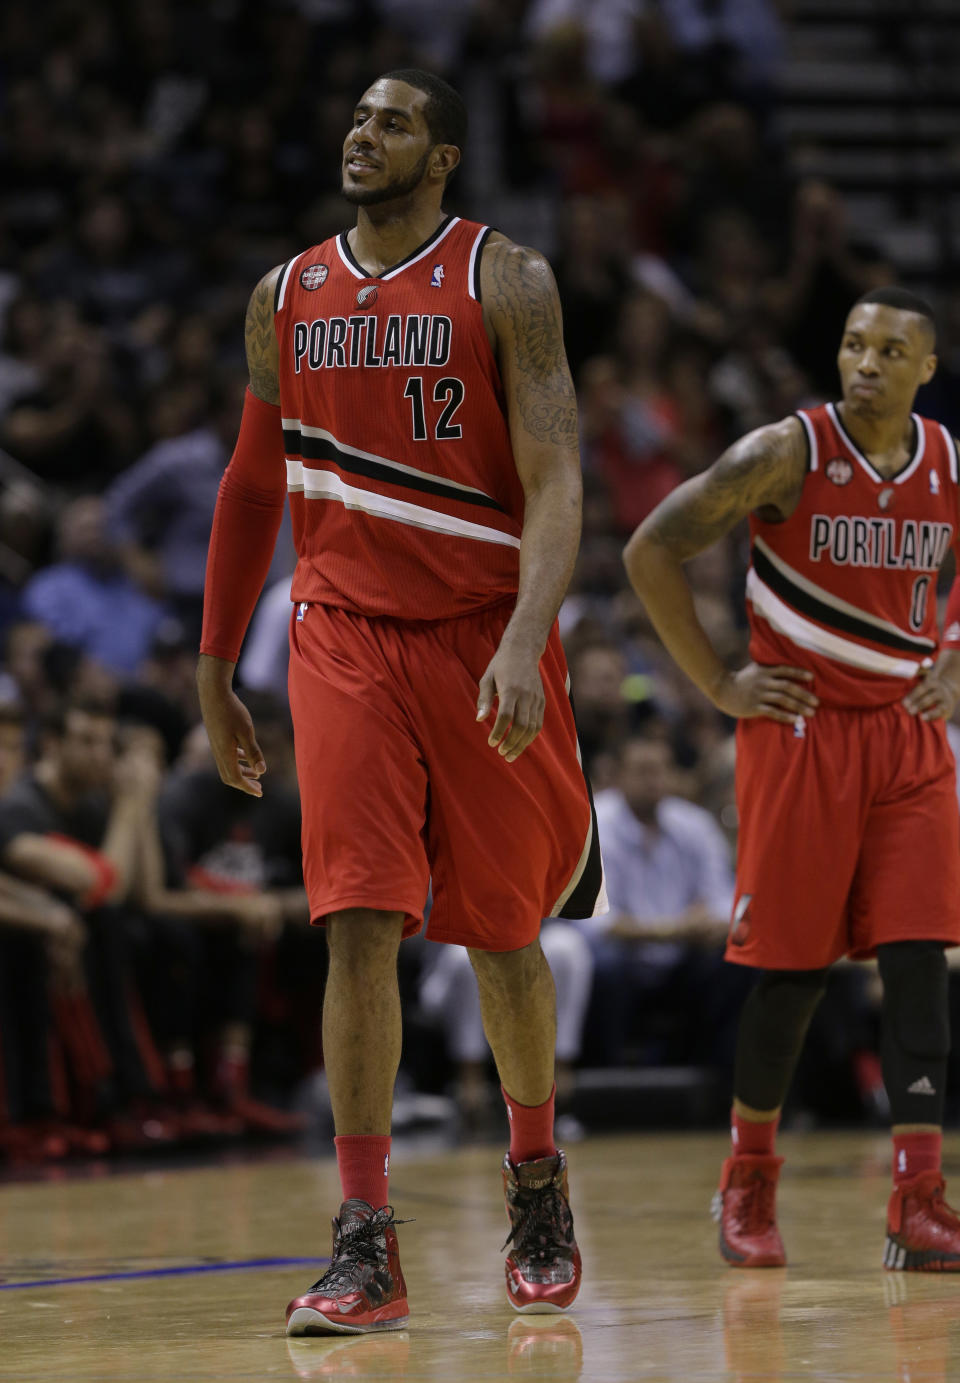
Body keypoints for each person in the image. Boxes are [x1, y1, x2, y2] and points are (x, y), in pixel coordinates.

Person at [197, 69, 604, 1332]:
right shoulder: (287, 293)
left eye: (393, 124)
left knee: (500, 931)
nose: (362, 135)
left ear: (442, 161)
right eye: (358, 119)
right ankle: (365, 1237)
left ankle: (535, 1177)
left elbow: (557, 478)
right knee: (358, 920)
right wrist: (214, 669)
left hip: (483, 629)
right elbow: (253, 489)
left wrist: (530, 639)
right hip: (343, 631)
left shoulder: (506, 281)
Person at [623, 286, 960, 1270]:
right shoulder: (786, 451)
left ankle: (919, 1198)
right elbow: (653, 548)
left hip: (906, 736)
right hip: (802, 729)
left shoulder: (946, 462)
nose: (865, 362)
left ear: (927, 369)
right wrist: (720, 681)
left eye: (890, 351)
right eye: (854, 344)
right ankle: (749, 1182)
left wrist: (952, 651)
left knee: (918, 970)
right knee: (793, 975)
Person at [580, 735, 744, 1070]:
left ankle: (718, 1084)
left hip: (681, 955)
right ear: (618, 774)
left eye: (660, 770)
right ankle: (608, 1086)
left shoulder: (693, 823)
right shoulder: (596, 823)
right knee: (603, 964)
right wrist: (677, 928)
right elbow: (596, 924)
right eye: (642, 771)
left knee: (734, 960)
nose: (653, 780)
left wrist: (701, 924)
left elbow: (725, 903)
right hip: (621, 959)